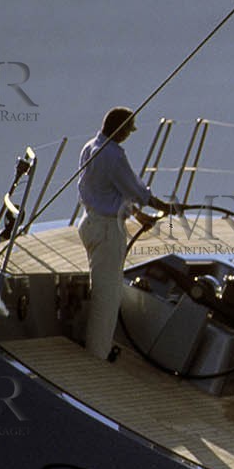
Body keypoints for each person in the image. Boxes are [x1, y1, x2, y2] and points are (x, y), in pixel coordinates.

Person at [77, 107, 177, 360]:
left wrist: (137, 215)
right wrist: (167, 207)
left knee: (100, 287)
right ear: (120, 129)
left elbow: (106, 191)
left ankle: (93, 346)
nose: (131, 133)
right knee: (107, 298)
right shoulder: (114, 156)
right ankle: (96, 357)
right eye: (129, 129)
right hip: (108, 232)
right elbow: (136, 191)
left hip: (89, 224)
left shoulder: (90, 147)